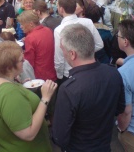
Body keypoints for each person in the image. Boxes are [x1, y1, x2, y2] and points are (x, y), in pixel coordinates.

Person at [52, 24, 125, 152]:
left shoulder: (69, 89)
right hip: (104, 145)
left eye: (62, 49)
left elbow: (60, 137)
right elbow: (119, 108)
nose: (62, 53)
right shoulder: (113, 73)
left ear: (72, 54)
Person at [0, 41, 57, 152]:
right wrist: (45, 98)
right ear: (9, 67)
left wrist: (18, 85)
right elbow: (28, 134)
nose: (24, 61)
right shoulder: (10, 94)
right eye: (21, 60)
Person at [54, 0, 103, 84]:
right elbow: (99, 44)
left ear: (61, 9)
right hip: (90, 67)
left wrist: (59, 76)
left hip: (70, 73)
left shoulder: (58, 30)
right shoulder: (87, 22)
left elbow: (59, 58)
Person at [117, 20, 134, 151]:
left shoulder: (123, 73)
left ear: (125, 42)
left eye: (118, 36)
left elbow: (126, 112)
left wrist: (121, 129)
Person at [17, 10, 57, 81]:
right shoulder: (48, 30)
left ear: (31, 24)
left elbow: (29, 62)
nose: (21, 27)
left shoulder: (30, 38)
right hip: (52, 72)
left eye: (22, 24)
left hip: (40, 77)